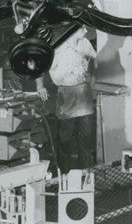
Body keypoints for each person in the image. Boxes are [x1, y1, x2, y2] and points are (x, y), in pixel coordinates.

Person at [37, 29, 97, 172]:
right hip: (66, 93)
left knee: (87, 135)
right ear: (72, 29)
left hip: (84, 92)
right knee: (65, 138)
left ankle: (85, 173)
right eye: (82, 28)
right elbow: (41, 65)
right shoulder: (57, 46)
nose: (86, 30)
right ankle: (64, 173)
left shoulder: (84, 43)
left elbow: (95, 58)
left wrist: (92, 76)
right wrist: (40, 86)